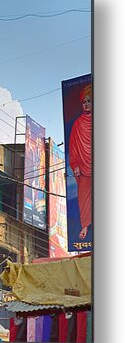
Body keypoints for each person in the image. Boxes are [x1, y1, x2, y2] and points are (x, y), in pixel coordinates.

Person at [69, 83, 92, 240]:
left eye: (89, 101)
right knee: (83, 197)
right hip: (83, 168)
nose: (86, 104)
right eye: (84, 102)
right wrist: (75, 165)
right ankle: (85, 226)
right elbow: (73, 147)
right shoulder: (77, 124)